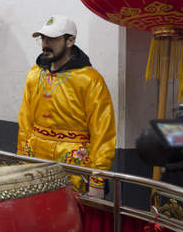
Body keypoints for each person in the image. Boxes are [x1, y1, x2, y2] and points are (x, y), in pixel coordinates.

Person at [17, 15, 115, 198]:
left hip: (72, 161)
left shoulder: (89, 79)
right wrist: (22, 157)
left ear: (70, 40)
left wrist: (97, 179)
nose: (45, 44)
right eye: (43, 38)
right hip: (35, 157)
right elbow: (25, 119)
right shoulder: (34, 74)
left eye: (52, 39)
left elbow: (103, 132)